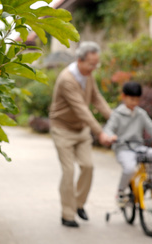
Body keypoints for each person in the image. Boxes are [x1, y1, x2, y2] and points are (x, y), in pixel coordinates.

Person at [49, 41, 113, 228]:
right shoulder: (66, 79)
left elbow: (97, 99)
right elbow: (81, 109)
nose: (94, 68)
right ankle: (67, 214)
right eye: (91, 64)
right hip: (62, 129)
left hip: (81, 129)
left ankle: (78, 204)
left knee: (88, 166)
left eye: (96, 64)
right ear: (79, 60)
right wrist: (100, 132)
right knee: (69, 172)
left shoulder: (89, 76)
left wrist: (116, 120)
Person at [103, 81, 152, 205]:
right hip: (123, 148)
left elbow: (151, 127)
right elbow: (108, 129)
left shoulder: (140, 113)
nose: (135, 103)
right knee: (130, 168)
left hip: (138, 147)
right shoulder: (117, 114)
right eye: (132, 99)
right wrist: (111, 136)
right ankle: (120, 192)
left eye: (137, 100)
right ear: (123, 97)